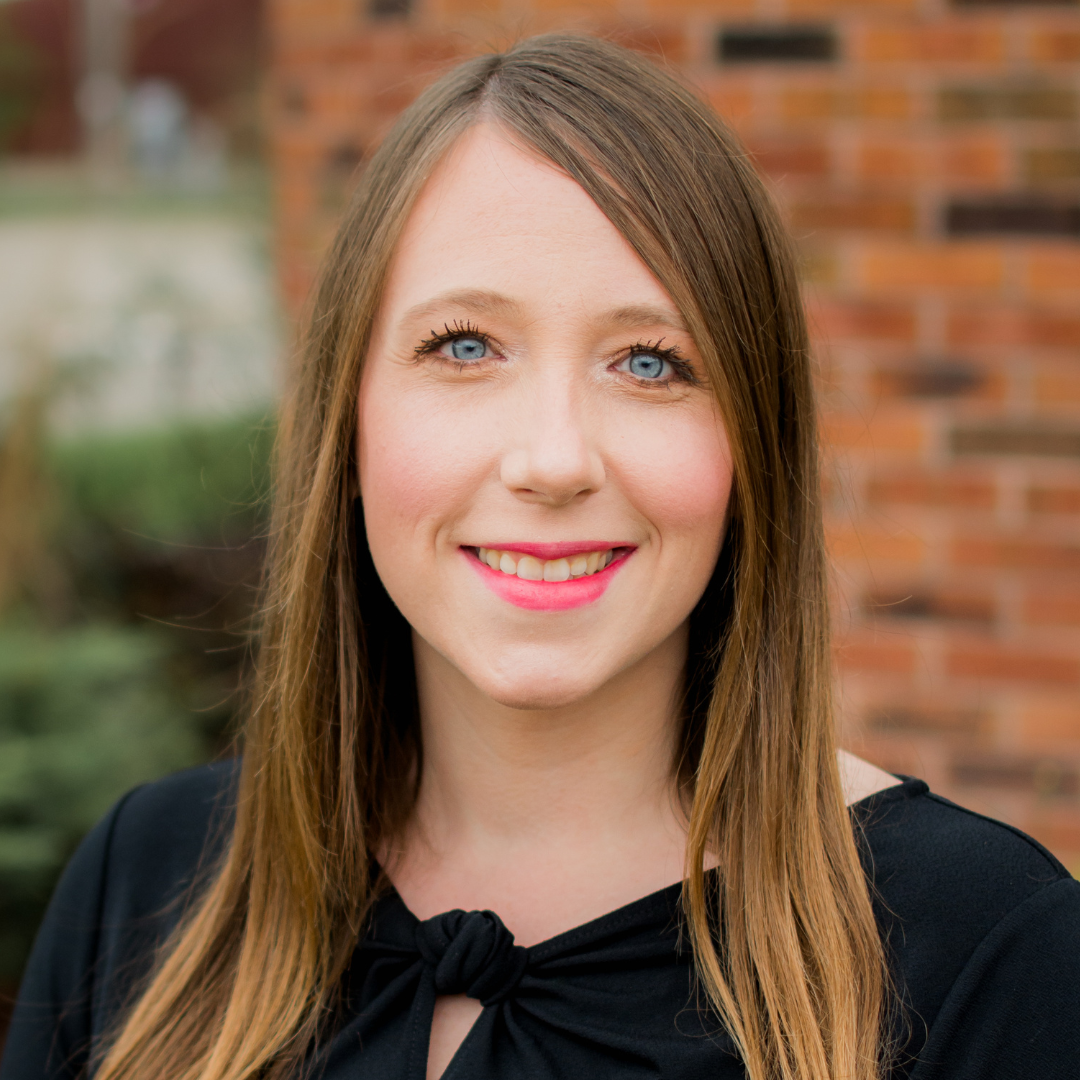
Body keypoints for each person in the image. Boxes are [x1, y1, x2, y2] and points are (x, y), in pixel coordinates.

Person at [3, 33, 1079, 1080]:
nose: (553, 460)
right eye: (464, 346)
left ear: (753, 444)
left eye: (650, 362)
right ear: (350, 419)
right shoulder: (153, 879)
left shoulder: (981, 950)